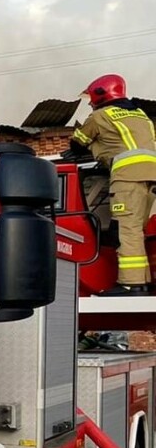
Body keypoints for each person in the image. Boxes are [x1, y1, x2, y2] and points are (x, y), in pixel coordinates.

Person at [60, 74, 156, 295]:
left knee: (126, 230)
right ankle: (142, 282)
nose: (90, 103)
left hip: (127, 176)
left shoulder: (101, 115)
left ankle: (130, 284)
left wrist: (89, 147)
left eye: (91, 98)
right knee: (137, 230)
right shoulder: (141, 115)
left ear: (100, 94)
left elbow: (78, 143)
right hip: (151, 176)